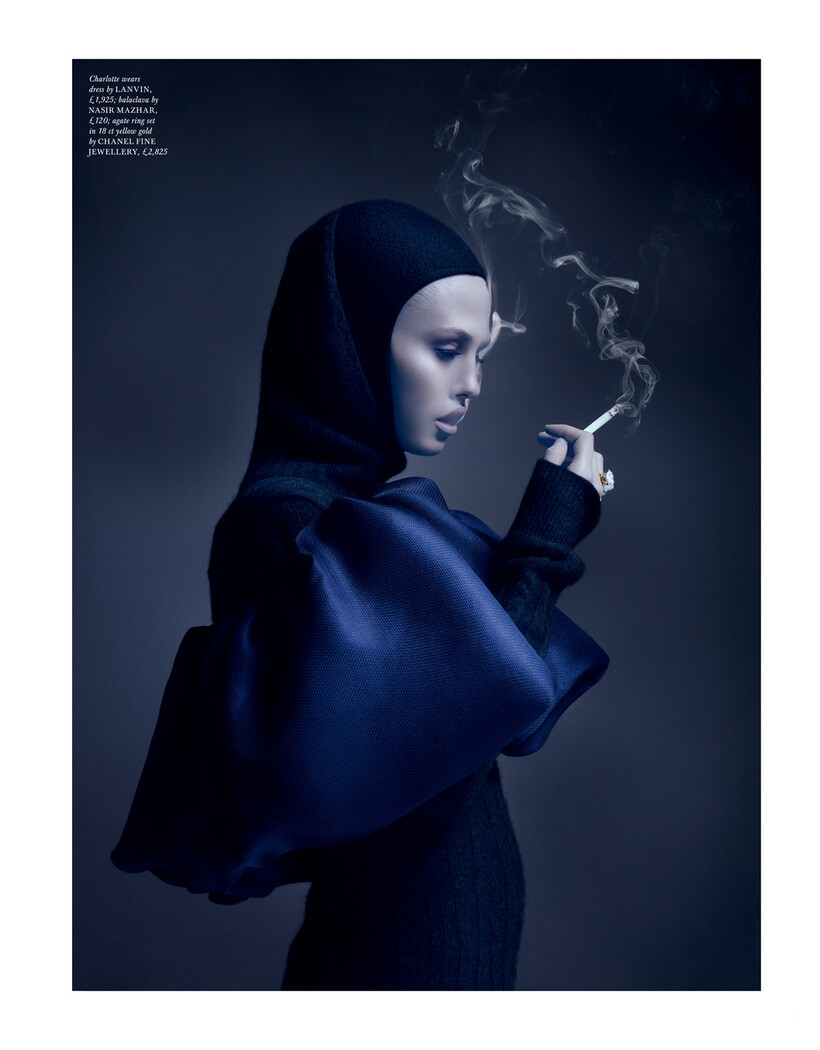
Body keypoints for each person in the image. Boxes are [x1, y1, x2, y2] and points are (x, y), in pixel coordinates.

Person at [111, 199, 611, 991]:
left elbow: (499, 713)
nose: (471, 385)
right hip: (392, 965)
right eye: (445, 350)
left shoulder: (358, 515)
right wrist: (549, 528)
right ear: (344, 344)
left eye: (479, 354)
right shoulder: (285, 521)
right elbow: (480, 696)